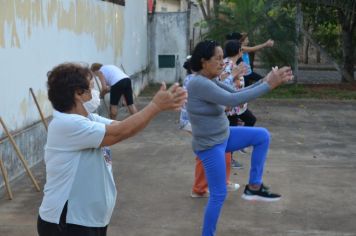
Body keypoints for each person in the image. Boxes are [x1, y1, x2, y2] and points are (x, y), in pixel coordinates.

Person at [37, 63, 187, 236]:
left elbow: (124, 127)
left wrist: (156, 108)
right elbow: (120, 132)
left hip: (89, 219)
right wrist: (155, 106)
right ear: (78, 93)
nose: (96, 93)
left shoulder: (87, 118)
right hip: (66, 222)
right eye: (91, 88)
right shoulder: (66, 124)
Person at [187, 40, 293, 236]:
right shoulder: (198, 83)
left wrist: (264, 81)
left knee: (262, 136)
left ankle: (254, 185)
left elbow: (236, 92)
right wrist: (268, 85)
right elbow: (232, 100)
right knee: (218, 195)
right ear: (203, 62)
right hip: (210, 146)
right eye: (217, 59)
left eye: (222, 58)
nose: (222, 63)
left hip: (224, 136)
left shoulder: (210, 80)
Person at [179, 57, 239, 198]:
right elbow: (222, 95)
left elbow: (220, 91)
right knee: (208, 152)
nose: (219, 64)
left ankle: (216, 183)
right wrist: (231, 76)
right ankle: (200, 188)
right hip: (194, 122)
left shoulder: (198, 79)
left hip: (197, 122)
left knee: (219, 150)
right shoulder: (195, 81)